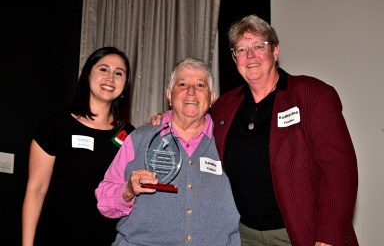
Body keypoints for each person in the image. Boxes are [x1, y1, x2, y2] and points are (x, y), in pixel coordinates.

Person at [211, 15, 359, 245]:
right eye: (241, 49)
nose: (250, 55)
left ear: (275, 50)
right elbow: (194, 133)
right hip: (243, 234)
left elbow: (339, 170)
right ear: (234, 58)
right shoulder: (224, 107)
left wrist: (328, 237)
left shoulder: (312, 95)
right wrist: (165, 119)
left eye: (259, 46)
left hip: (300, 233)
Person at [95, 57, 240, 246]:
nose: (191, 91)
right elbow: (104, 201)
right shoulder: (139, 139)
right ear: (169, 95)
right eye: (182, 84)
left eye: (200, 85)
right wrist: (128, 191)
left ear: (212, 98)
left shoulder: (228, 140)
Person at [22, 46, 135, 246]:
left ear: (125, 85)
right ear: (87, 74)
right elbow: (36, 189)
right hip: (55, 236)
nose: (110, 78)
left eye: (119, 73)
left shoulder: (130, 136)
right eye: (103, 69)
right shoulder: (56, 127)